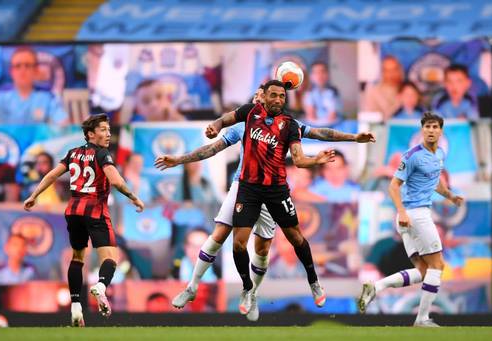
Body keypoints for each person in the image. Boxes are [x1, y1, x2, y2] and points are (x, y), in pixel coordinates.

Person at [155, 84, 375, 321]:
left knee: (264, 249)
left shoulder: (288, 124)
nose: (269, 98)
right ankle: (194, 287)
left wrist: (352, 138)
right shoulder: (244, 121)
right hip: (243, 186)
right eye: (266, 94)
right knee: (223, 236)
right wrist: (191, 148)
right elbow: (213, 147)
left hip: (274, 190)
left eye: (279, 95)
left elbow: (318, 134)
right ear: (259, 98)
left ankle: (256, 294)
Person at [23, 114, 145, 327]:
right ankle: (101, 285)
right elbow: (115, 180)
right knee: (110, 258)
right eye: (103, 130)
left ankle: (76, 306)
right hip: (95, 210)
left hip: (73, 211)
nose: (108, 134)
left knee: (78, 258)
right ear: (91, 134)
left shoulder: (73, 153)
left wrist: (33, 195)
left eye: (109, 130)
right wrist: (134, 197)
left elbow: (52, 175)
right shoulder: (102, 154)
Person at [358, 112, 464, 327]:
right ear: (422, 131)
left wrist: (450, 195)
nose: (431, 131)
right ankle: (422, 319)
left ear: (441, 131)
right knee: (438, 265)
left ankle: (375, 287)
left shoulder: (439, 154)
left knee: (425, 271)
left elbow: (435, 182)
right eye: (427, 127)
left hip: (415, 215)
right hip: (414, 214)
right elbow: (393, 186)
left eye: (435, 127)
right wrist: (403, 212)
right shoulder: (412, 156)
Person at [0, 46, 68, 125]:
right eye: (18, 66)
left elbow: (63, 122)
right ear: (11, 71)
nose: (23, 70)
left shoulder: (46, 96)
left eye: (27, 65)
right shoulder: (1, 96)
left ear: (36, 70)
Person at [363, 56, 404, 121]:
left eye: (395, 70)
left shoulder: (407, 89)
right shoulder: (374, 92)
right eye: (387, 71)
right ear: (382, 72)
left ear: (400, 70)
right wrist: (398, 103)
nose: (391, 74)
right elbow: (370, 118)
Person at [302, 62, 343, 126]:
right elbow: (310, 115)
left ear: (328, 75)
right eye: (316, 73)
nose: (319, 75)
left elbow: (332, 115)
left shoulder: (333, 93)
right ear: (311, 76)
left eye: (322, 72)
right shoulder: (309, 94)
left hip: (332, 125)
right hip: (314, 126)